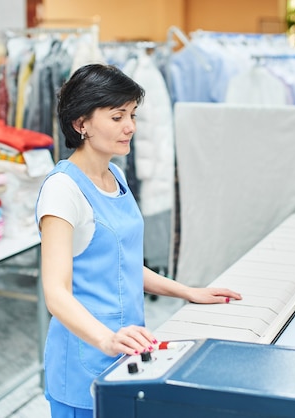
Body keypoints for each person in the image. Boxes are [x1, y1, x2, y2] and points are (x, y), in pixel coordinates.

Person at [35, 63, 242, 417]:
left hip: (126, 349)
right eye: (117, 117)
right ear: (80, 123)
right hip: (84, 359)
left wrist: (187, 291)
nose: (130, 126)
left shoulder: (115, 175)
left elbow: (124, 264)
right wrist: (105, 339)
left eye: (132, 114)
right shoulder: (62, 190)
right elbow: (55, 293)